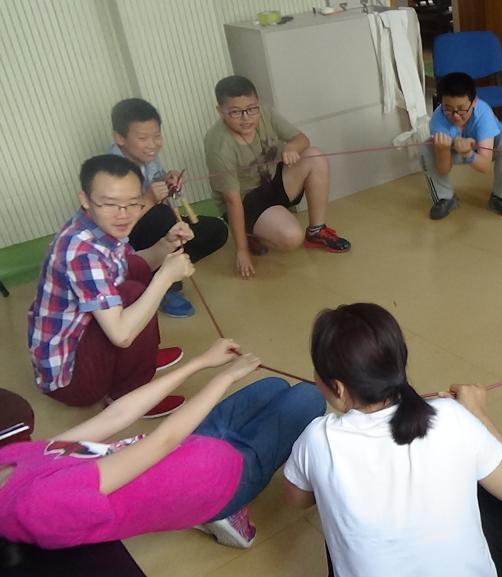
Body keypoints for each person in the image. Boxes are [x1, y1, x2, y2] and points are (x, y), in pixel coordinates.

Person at [283, 303, 502, 577]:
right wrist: (476, 413)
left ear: (339, 388)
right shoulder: (452, 418)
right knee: (484, 469)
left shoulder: (318, 439)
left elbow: (296, 498)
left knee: (335, 501)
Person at [0, 339, 326, 550]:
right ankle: (224, 511)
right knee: (308, 397)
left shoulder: (10, 457)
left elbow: (117, 416)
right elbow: (163, 441)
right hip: (213, 483)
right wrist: (224, 377)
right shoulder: (39, 504)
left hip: (194, 445)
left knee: (273, 386)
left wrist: (201, 362)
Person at [28, 155, 194, 416]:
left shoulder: (95, 225)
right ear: (85, 199)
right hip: (71, 381)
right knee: (134, 294)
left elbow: (128, 266)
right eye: (109, 204)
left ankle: (140, 359)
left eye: (133, 203)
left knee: (133, 268)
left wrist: (165, 245)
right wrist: (165, 278)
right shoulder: (81, 251)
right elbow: (121, 334)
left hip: (83, 340)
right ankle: (127, 396)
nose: (123, 215)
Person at [204, 75, 351, 280]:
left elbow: (302, 139)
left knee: (315, 156)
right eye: (236, 112)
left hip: (271, 181)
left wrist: (292, 147)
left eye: (251, 109)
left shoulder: (265, 112)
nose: (246, 118)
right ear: (220, 111)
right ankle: (249, 234)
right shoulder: (218, 145)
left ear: (258, 103)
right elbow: (232, 201)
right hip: (245, 201)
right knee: (291, 238)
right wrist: (241, 250)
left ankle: (317, 231)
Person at [109, 97, 229, 317]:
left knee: (217, 230)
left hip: (159, 232)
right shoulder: (111, 171)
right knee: (161, 215)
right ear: (120, 138)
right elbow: (116, 224)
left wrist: (169, 181)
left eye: (157, 136)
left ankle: (154, 272)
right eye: (143, 138)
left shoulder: (149, 158)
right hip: (128, 242)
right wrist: (149, 198)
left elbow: (160, 188)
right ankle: (167, 286)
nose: (153, 144)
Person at [421, 72, 502, 220]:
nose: (455, 115)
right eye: (448, 108)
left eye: (461, 108)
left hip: (487, 148)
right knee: (426, 148)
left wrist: (468, 154)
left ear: (474, 101)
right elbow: (443, 170)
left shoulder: (483, 113)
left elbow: (484, 166)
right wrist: (443, 150)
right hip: (455, 151)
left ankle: (500, 197)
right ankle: (445, 198)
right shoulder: (438, 119)